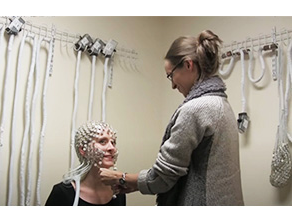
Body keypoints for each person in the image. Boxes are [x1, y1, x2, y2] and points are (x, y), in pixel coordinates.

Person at [99, 30, 244, 206]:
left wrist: (122, 178)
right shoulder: (221, 103)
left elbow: (163, 176)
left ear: (188, 65)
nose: (173, 85)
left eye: (171, 75)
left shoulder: (196, 109)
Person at [45, 121, 125, 206]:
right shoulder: (63, 192)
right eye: (102, 141)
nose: (112, 148)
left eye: (113, 142)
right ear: (83, 149)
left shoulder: (118, 191)